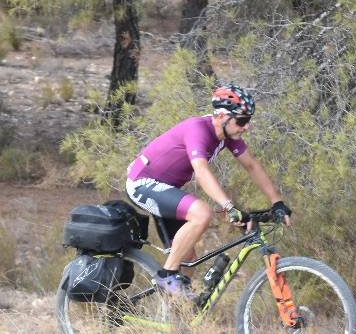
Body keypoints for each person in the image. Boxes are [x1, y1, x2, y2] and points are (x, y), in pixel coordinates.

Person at [125, 84, 293, 298]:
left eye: (248, 120)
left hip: (165, 187)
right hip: (142, 182)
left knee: (188, 258)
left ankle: (177, 321)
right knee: (201, 214)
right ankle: (166, 275)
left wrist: (277, 202)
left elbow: (252, 166)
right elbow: (202, 171)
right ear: (222, 116)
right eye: (242, 120)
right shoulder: (198, 129)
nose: (247, 126)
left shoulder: (226, 136)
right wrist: (229, 207)